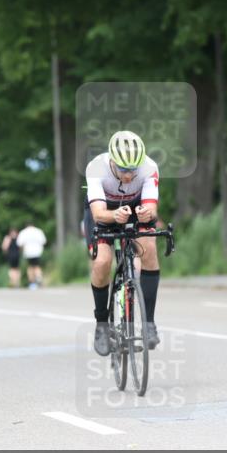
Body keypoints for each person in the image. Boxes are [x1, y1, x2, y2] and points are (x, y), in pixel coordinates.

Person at [84, 130, 162, 356]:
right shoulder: (96, 168)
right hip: (104, 211)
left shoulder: (149, 167)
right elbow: (98, 214)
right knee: (102, 262)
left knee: (149, 247)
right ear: (112, 162)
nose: (129, 176)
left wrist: (147, 214)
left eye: (133, 170)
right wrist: (114, 216)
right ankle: (101, 326)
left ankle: (149, 324)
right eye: (123, 170)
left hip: (134, 208)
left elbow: (152, 207)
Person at [16, 222, 47, 289]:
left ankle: (32, 282)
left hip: (28, 252)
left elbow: (19, 243)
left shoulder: (23, 232)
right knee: (37, 266)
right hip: (37, 251)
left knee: (30, 267)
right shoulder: (38, 231)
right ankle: (39, 278)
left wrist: (22, 250)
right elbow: (43, 241)